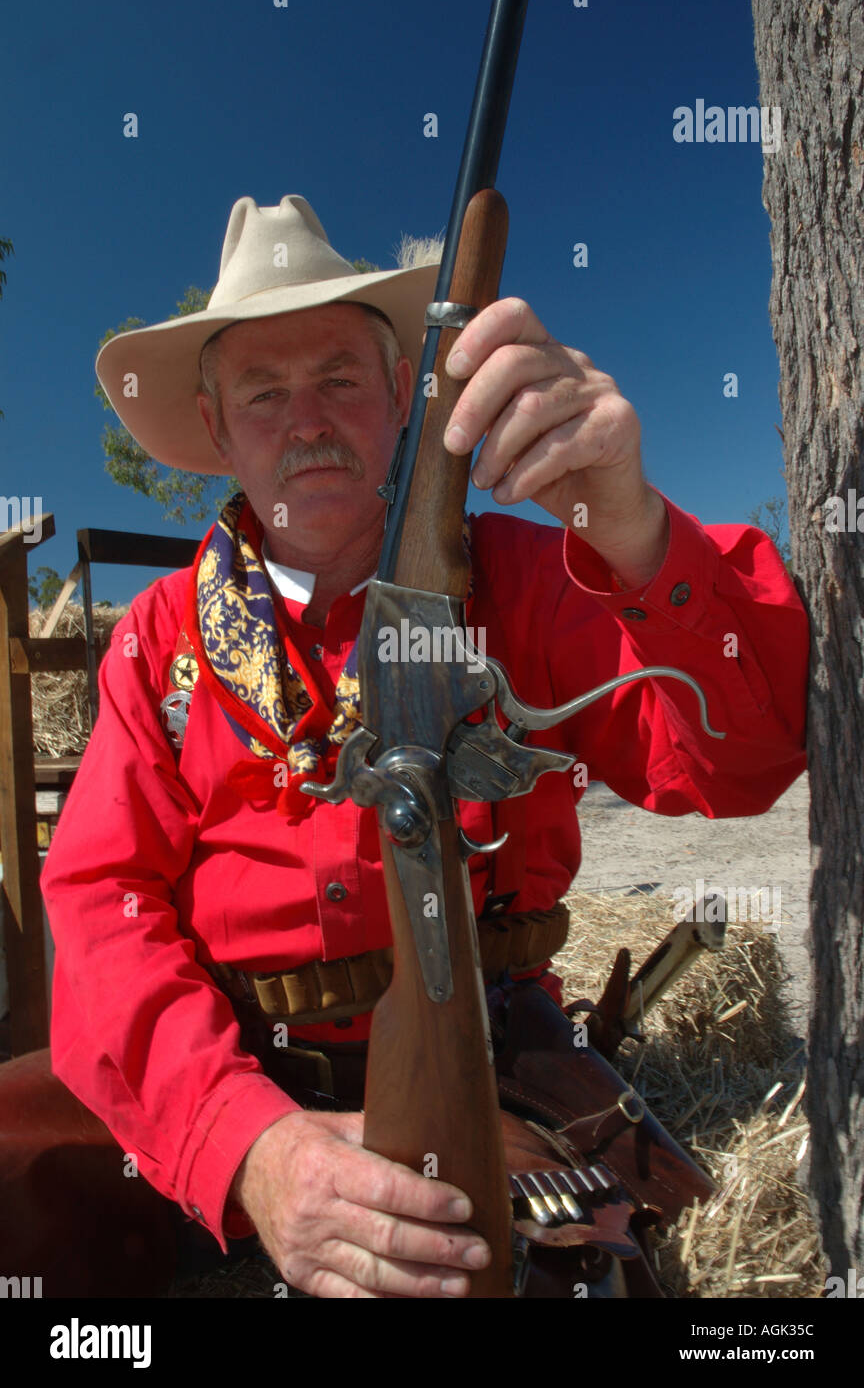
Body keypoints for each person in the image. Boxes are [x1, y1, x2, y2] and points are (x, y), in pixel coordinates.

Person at [39, 194, 808, 1299]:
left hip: (504, 1068)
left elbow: (745, 759)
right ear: (216, 426)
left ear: (404, 393)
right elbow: (100, 907)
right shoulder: (158, 638)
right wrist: (247, 1144)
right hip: (231, 1075)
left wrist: (634, 531)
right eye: (264, 392)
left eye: (340, 379)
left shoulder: (535, 578)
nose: (307, 421)